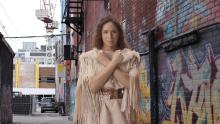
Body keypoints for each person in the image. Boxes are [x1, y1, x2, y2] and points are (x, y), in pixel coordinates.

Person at [73, 16, 141, 124]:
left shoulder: (129, 57)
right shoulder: (90, 58)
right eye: (105, 32)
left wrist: (108, 63)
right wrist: (113, 63)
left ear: (119, 34)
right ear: (100, 34)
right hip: (99, 108)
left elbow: (131, 84)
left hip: (121, 107)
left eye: (113, 32)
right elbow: (93, 87)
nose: (109, 36)